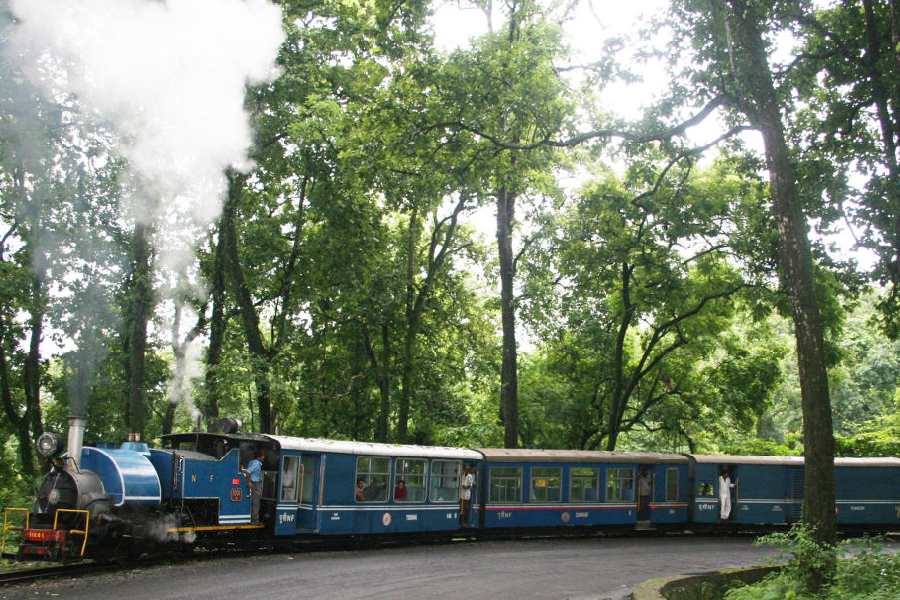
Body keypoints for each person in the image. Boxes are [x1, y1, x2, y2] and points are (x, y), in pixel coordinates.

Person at [243, 450, 265, 524]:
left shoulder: (251, 462)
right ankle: (255, 520)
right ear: (259, 457)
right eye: (262, 456)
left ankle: (252, 518)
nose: (264, 457)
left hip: (254, 483)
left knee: (252, 501)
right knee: (256, 502)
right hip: (255, 484)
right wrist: (249, 482)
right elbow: (247, 472)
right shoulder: (256, 464)